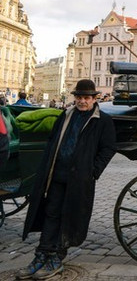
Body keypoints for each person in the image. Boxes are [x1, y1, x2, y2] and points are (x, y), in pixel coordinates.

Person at [17, 79, 116, 280]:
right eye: (79, 97)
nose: (82, 101)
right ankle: (41, 255)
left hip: (79, 179)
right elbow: (53, 139)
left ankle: (56, 258)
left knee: (68, 216)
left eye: (86, 98)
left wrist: (93, 171)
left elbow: (108, 148)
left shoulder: (102, 120)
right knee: (51, 214)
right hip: (56, 175)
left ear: (94, 99)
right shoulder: (66, 114)